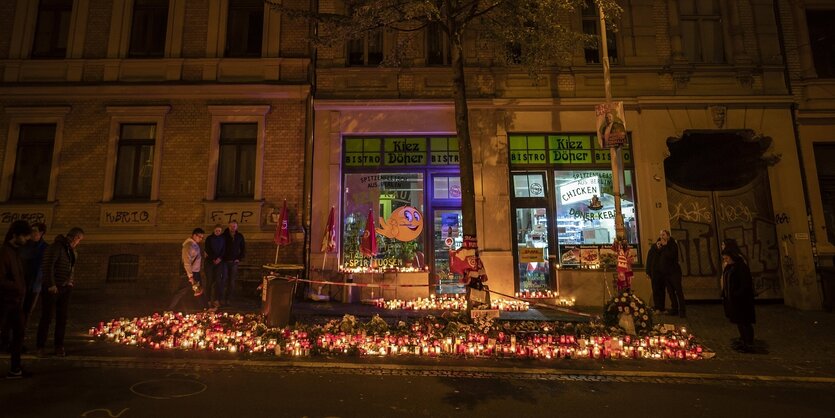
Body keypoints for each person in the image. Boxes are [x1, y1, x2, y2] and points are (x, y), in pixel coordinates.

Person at [36, 227, 84, 357]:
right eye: (79, 239)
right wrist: (51, 284)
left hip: (65, 288)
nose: (78, 242)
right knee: (47, 317)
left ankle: (59, 345)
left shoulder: (73, 251)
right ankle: (40, 346)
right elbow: (47, 265)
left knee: (62, 318)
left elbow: (71, 268)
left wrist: (70, 282)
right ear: (74, 237)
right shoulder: (56, 247)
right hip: (53, 287)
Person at [0, 221, 33, 378]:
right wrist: (17, 287)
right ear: (15, 235)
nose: (27, 239)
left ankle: (15, 368)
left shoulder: (16, 252)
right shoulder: (4, 252)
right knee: (5, 335)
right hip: (6, 301)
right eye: (25, 236)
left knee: (19, 333)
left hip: (16, 301)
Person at [721, 247, 756, 353]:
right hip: (733, 299)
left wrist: (737, 293)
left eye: (727, 258)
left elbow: (745, 283)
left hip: (742, 299)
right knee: (739, 321)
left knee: (745, 321)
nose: (726, 260)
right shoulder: (730, 267)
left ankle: (748, 343)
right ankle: (743, 341)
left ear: (732, 256)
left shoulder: (740, 267)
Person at [169, 228, 207, 312]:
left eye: (202, 237)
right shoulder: (188, 245)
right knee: (182, 291)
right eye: (200, 237)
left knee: (199, 290)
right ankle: (170, 307)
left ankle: (205, 307)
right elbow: (186, 262)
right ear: (194, 235)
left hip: (196, 272)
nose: (201, 239)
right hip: (190, 273)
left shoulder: (195, 245)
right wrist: (190, 276)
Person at [657, 229, 686, 318]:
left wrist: (665, 246)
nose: (662, 237)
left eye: (664, 235)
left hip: (674, 272)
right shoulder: (662, 246)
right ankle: (674, 308)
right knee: (670, 292)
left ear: (668, 236)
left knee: (678, 291)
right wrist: (658, 248)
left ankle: (682, 310)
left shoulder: (673, 245)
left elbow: (671, 256)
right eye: (661, 235)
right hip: (666, 273)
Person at [222, 221, 246, 306]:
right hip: (224, 262)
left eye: (234, 226)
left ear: (237, 227)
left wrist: (239, 258)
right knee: (223, 280)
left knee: (231, 281)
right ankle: (221, 299)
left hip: (234, 262)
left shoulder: (239, 236)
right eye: (231, 226)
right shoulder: (223, 236)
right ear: (228, 226)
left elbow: (243, 248)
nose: (233, 228)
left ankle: (229, 299)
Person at [204, 224, 226, 309]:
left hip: (219, 263)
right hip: (210, 262)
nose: (218, 232)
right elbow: (207, 249)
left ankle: (216, 300)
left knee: (218, 281)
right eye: (216, 230)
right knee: (209, 281)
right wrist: (213, 258)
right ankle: (208, 300)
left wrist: (220, 258)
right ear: (214, 230)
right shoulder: (209, 238)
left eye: (219, 231)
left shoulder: (223, 239)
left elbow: (224, 250)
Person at [645, 238, 667, 312]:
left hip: (662, 274)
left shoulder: (664, 250)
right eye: (658, 243)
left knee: (662, 291)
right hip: (654, 273)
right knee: (655, 290)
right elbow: (649, 261)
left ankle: (662, 307)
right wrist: (648, 272)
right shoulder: (652, 250)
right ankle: (657, 307)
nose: (659, 245)